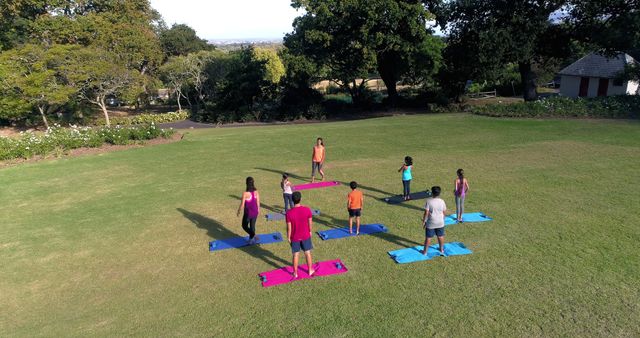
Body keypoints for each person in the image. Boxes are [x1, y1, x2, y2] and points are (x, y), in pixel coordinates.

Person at [285, 191, 315, 278]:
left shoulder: (289, 213)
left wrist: (288, 237)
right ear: (300, 199)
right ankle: (310, 270)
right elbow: (310, 223)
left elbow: (289, 227)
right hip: (305, 235)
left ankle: (295, 273)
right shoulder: (307, 209)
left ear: (292, 200)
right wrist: (310, 231)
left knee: (296, 254)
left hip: (295, 237)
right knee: (307, 253)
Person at [422, 186, 447, 255]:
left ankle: (425, 252)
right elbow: (444, 212)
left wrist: (424, 221)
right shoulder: (442, 201)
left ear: (432, 193)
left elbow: (426, 213)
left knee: (428, 237)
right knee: (440, 236)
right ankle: (441, 249)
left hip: (431, 222)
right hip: (440, 222)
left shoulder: (428, 201)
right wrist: (443, 219)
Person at [237, 177, 260, 244]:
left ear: (246, 183)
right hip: (255, 212)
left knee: (244, 226)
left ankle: (253, 236)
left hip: (248, 213)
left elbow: (242, 205)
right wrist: (258, 210)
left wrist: (238, 211)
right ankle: (251, 240)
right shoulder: (256, 192)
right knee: (252, 227)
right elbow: (258, 202)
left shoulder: (245, 193)